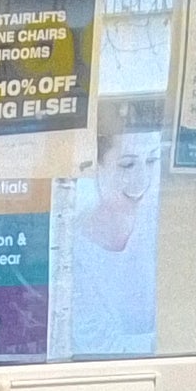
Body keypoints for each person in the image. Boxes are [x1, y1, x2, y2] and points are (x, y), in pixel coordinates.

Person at [71, 129, 160, 359]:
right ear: (94, 166)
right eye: (127, 165)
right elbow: (99, 350)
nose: (143, 180)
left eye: (151, 160)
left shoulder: (163, 229)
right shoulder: (72, 251)